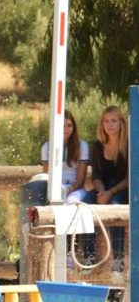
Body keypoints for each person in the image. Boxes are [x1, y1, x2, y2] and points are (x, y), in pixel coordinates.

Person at [90, 105, 129, 266]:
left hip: (123, 187)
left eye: (114, 121)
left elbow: (130, 177)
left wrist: (110, 192)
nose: (109, 125)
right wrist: (101, 191)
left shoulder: (129, 145)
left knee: (115, 206)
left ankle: (118, 258)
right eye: (106, 121)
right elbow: (96, 175)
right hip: (103, 187)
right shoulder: (97, 146)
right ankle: (87, 254)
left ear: (121, 123)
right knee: (84, 206)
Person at [40, 110, 92, 204]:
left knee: (71, 201)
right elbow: (46, 176)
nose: (66, 129)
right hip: (54, 188)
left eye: (69, 125)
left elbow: (80, 181)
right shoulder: (47, 147)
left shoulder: (82, 146)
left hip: (75, 189)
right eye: (62, 125)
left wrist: (68, 189)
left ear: (74, 127)